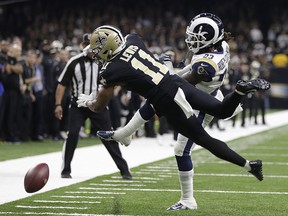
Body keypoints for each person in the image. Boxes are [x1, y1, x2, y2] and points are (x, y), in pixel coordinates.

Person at [77, 24, 269, 208]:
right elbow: (129, 46)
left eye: (96, 49)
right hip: (175, 82)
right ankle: (239, 92)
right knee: (222, 111)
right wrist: (91, 51)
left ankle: (249, 166)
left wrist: (88, 103)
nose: (94, 53)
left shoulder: (110, 71)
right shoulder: (133, 40)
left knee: (203, 139)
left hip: (167, 99)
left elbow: (100, 106)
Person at [54, 33, 132, 180]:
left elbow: (116, 79)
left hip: (98, 104)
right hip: (78, 104)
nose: (90, 48)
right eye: (87, 45)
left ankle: (124, 170)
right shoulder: (74, 61)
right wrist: (58, 104)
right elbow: (62, 83)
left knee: (108, 136)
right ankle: (65, 169)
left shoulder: (103, 61)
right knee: (73, 134)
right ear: (83, 46)